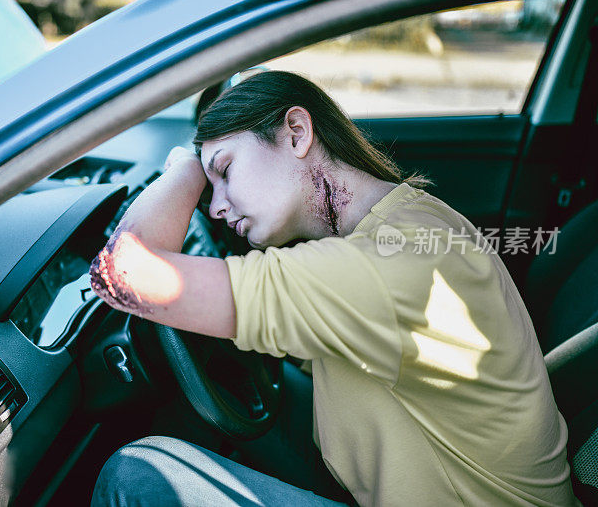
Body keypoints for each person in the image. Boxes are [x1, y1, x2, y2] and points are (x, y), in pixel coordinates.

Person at [88, 71, 576, 506]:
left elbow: (123, 275)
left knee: (136, 475)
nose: (214, 208)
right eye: (209, 183)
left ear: (297, 133)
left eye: (226, 170)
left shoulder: (381, 269)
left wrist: (187, 167)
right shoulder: (407, 222)